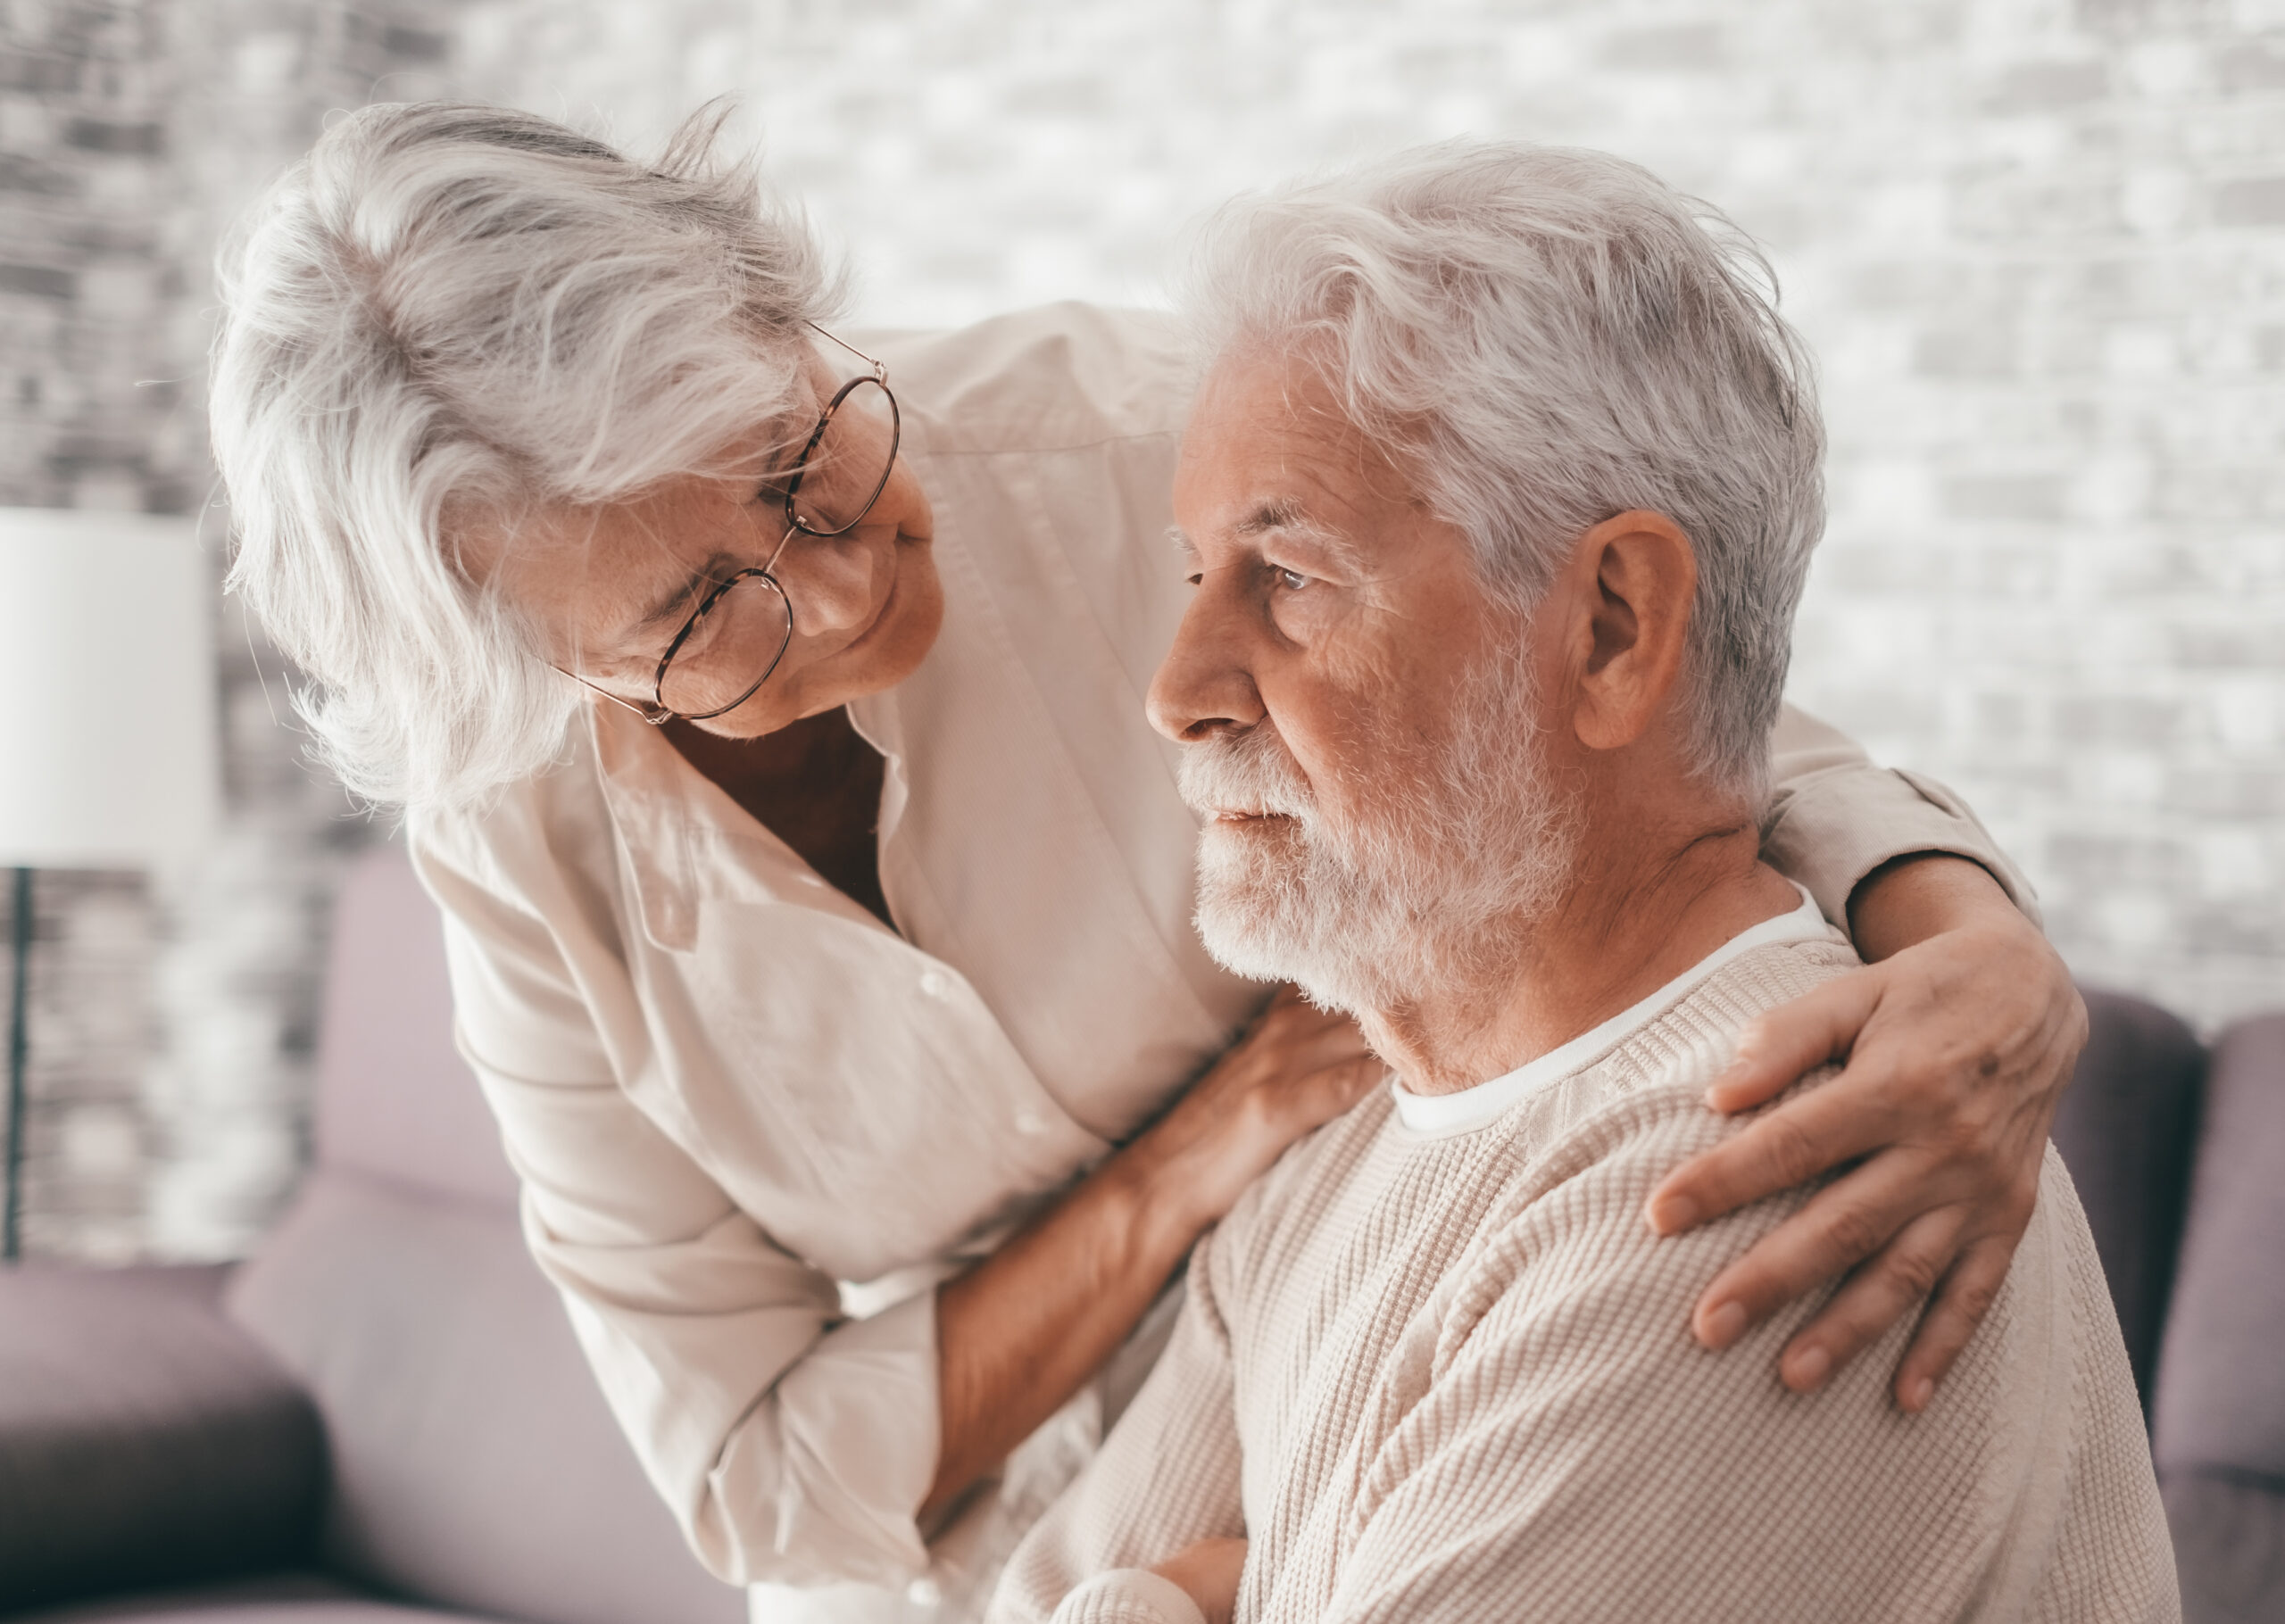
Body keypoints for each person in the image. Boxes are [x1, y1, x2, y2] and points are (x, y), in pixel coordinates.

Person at [209, 104, 2088, 1618]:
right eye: (704, 611)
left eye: (802, 455)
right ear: (549, 668)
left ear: (779, 309)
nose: (849, 586)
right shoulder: (519, 842)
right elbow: (758, 1483)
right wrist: (1207, 1155)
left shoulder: (1133, 449)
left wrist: (1970, 939)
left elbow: (1637, 691)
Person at [990, 141, 2175, 1624]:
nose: (1179, 690)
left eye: (1288, 577)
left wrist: (1174, 1596)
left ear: (1615, 625)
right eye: (1194, 577)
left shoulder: (1776, 1177)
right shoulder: (1324, 1182)